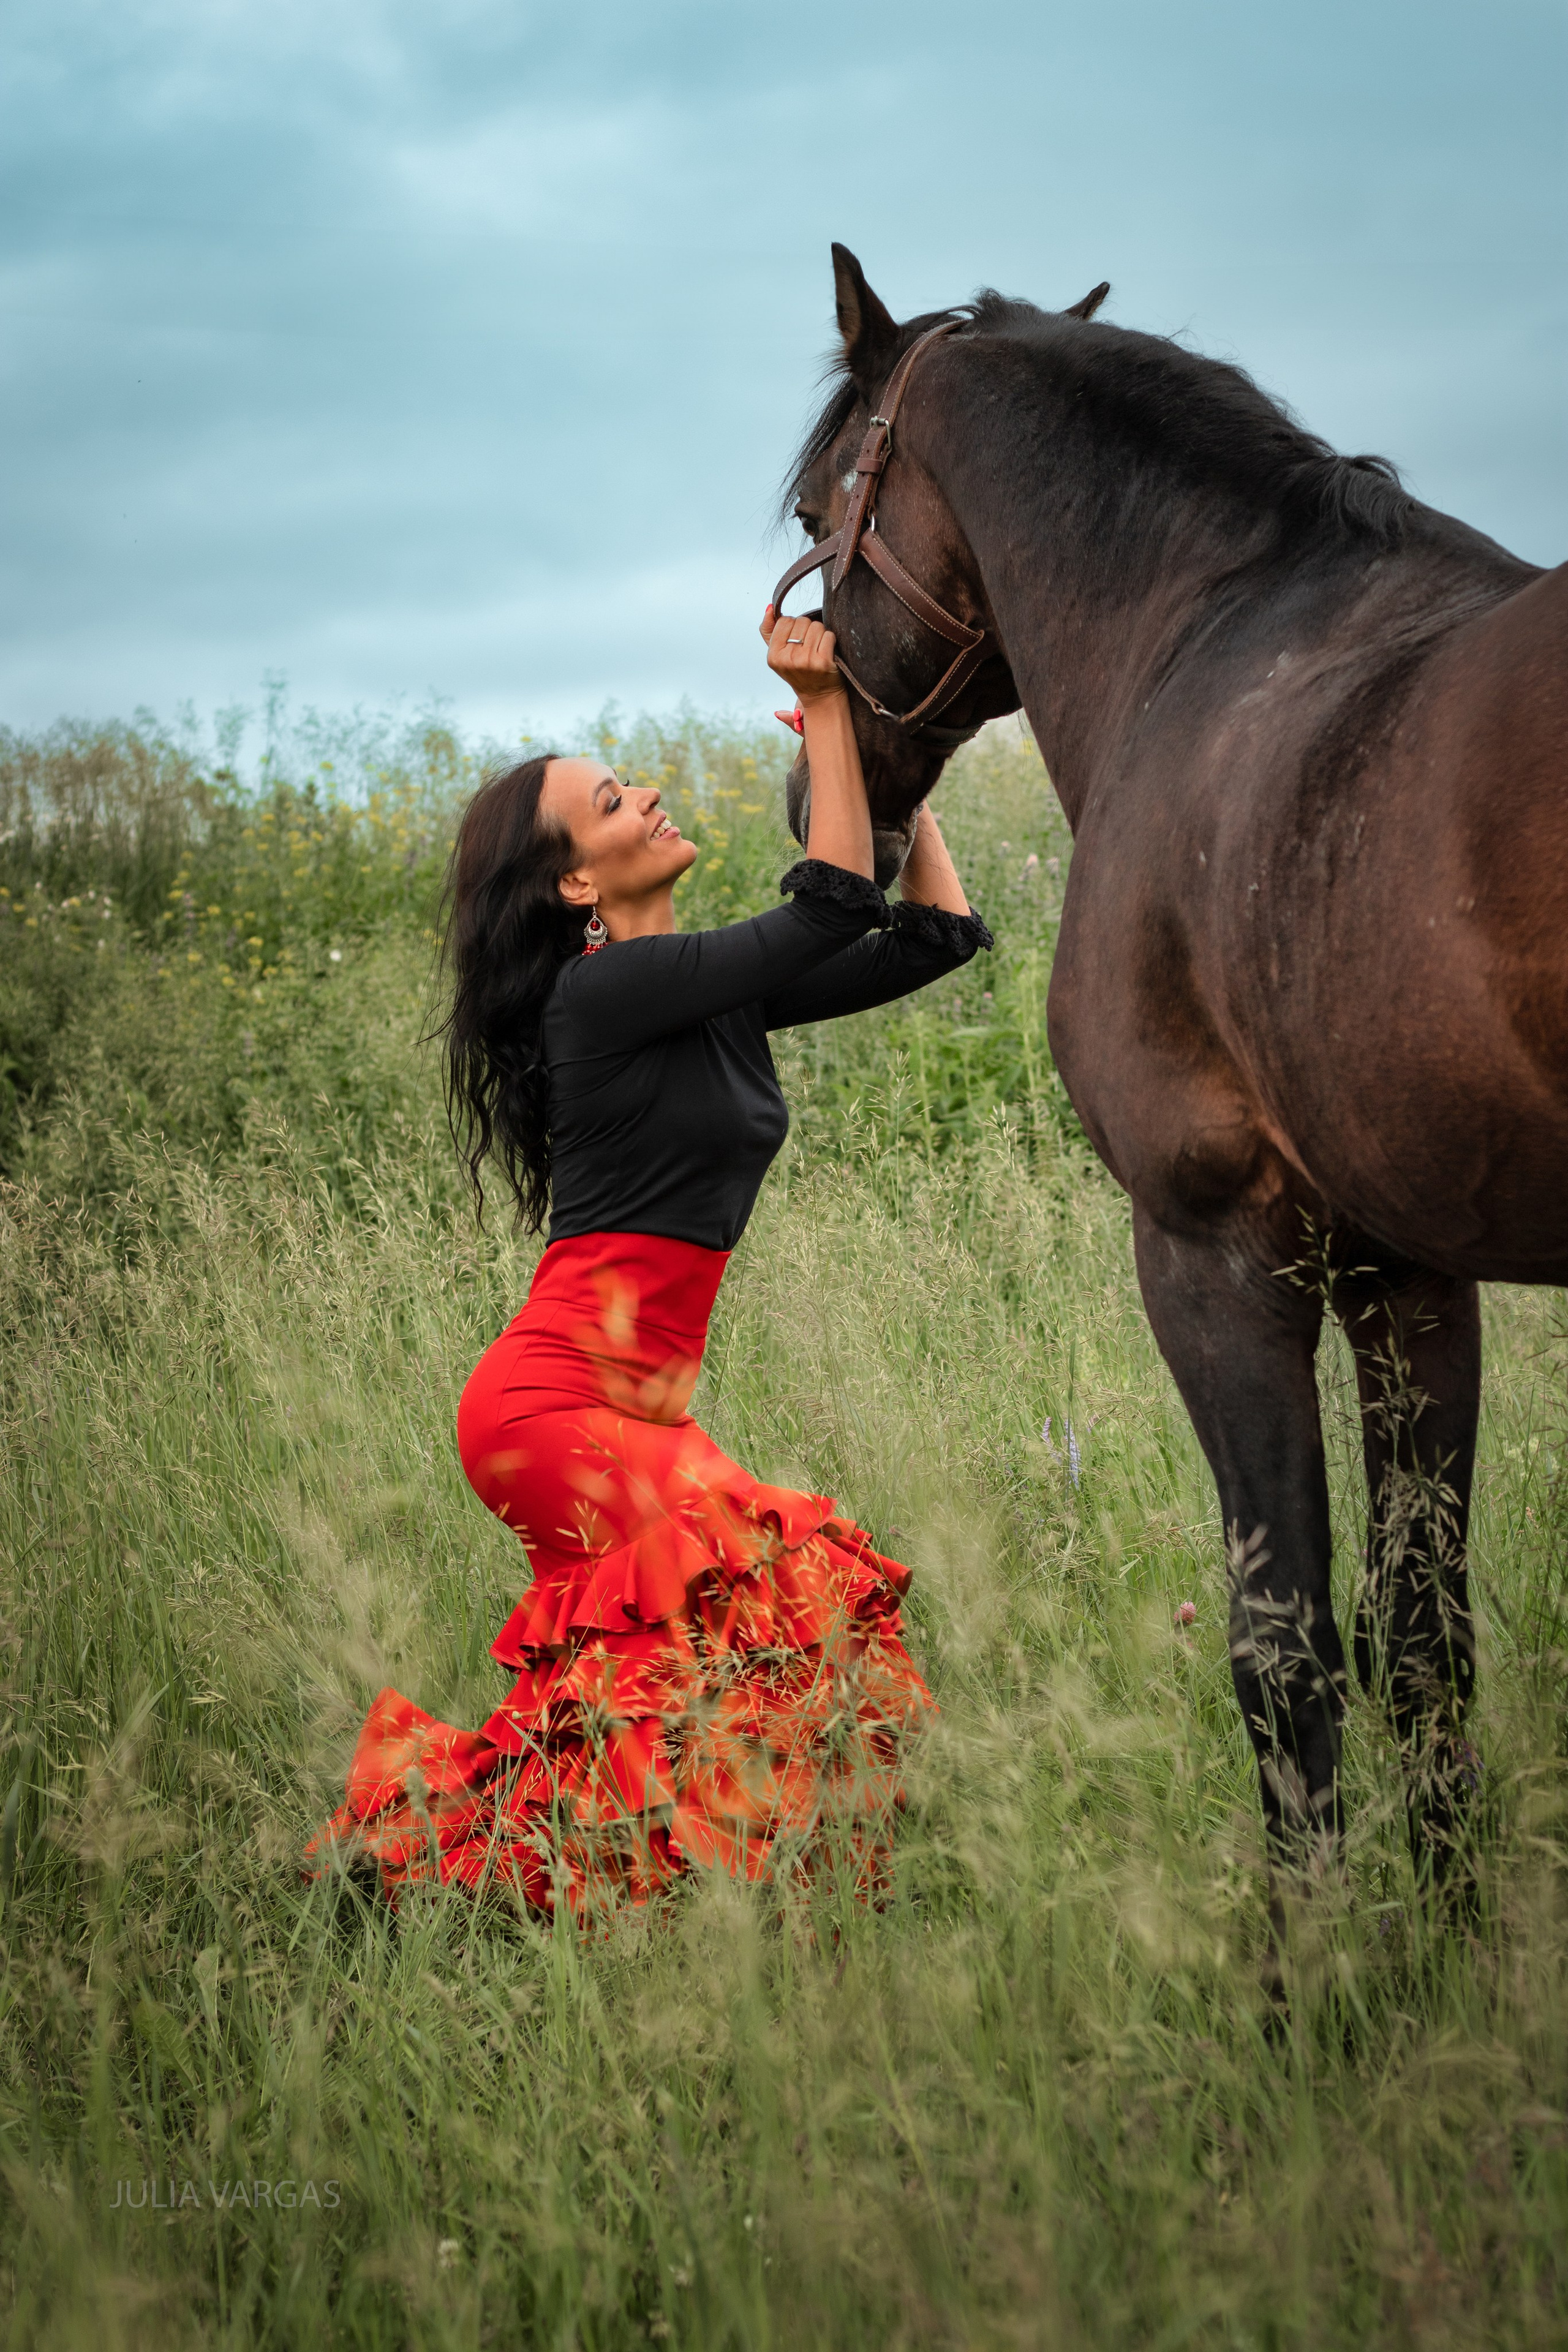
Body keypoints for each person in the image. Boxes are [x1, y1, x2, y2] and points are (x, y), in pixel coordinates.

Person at [306, 610, 992, 1912]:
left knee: (771, 1631)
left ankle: (448, 1871)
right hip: (551, 1407)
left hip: (616, 1407)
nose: (650, 793)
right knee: (782, 1600)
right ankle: (512, 1877)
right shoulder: (604, 995)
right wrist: (833, 709)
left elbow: (933, 937)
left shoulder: (693, 987)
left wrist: (900, 777)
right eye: (613, 798)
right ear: (577, 883)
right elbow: (832, 895)